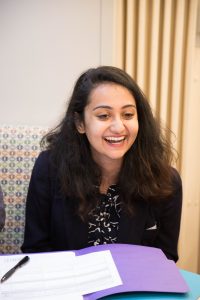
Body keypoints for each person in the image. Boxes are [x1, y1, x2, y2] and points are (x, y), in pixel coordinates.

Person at [21, 66, 182, 262]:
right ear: (80, 123)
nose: (118, 127)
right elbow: (35, 248)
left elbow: (166, 258)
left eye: (128, 115)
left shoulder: (166, 181)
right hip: (67, 289)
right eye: (104, 116)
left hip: (134, 290)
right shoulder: (48, 168)